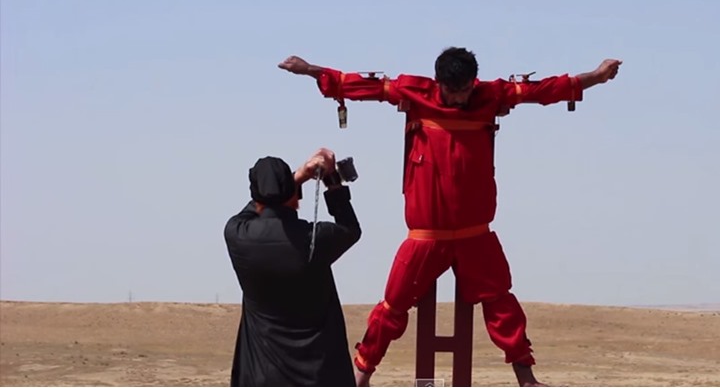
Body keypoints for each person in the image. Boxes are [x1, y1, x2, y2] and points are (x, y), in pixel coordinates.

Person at [278, 48, 622, 387]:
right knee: (391, 307)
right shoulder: (415, 93)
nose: (459, 98)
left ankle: (526, 379)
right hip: (425, 236)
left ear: (474, 82)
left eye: (465, 90)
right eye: (452, 91)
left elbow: (543, 90)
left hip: (476, 235)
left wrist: (595, 76)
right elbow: (362, 85)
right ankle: (361, 376)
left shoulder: (491, 95)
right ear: (438, 82)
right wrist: (311, 70)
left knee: (502, 305)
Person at [224, 147, 362, 387]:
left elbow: (254, 206)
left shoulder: (238, 235)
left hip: (261, 378)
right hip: (320, 377)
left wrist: (296, 177)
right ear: (293, 194)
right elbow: (350, 229)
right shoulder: (315, 239)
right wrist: (333, 184)